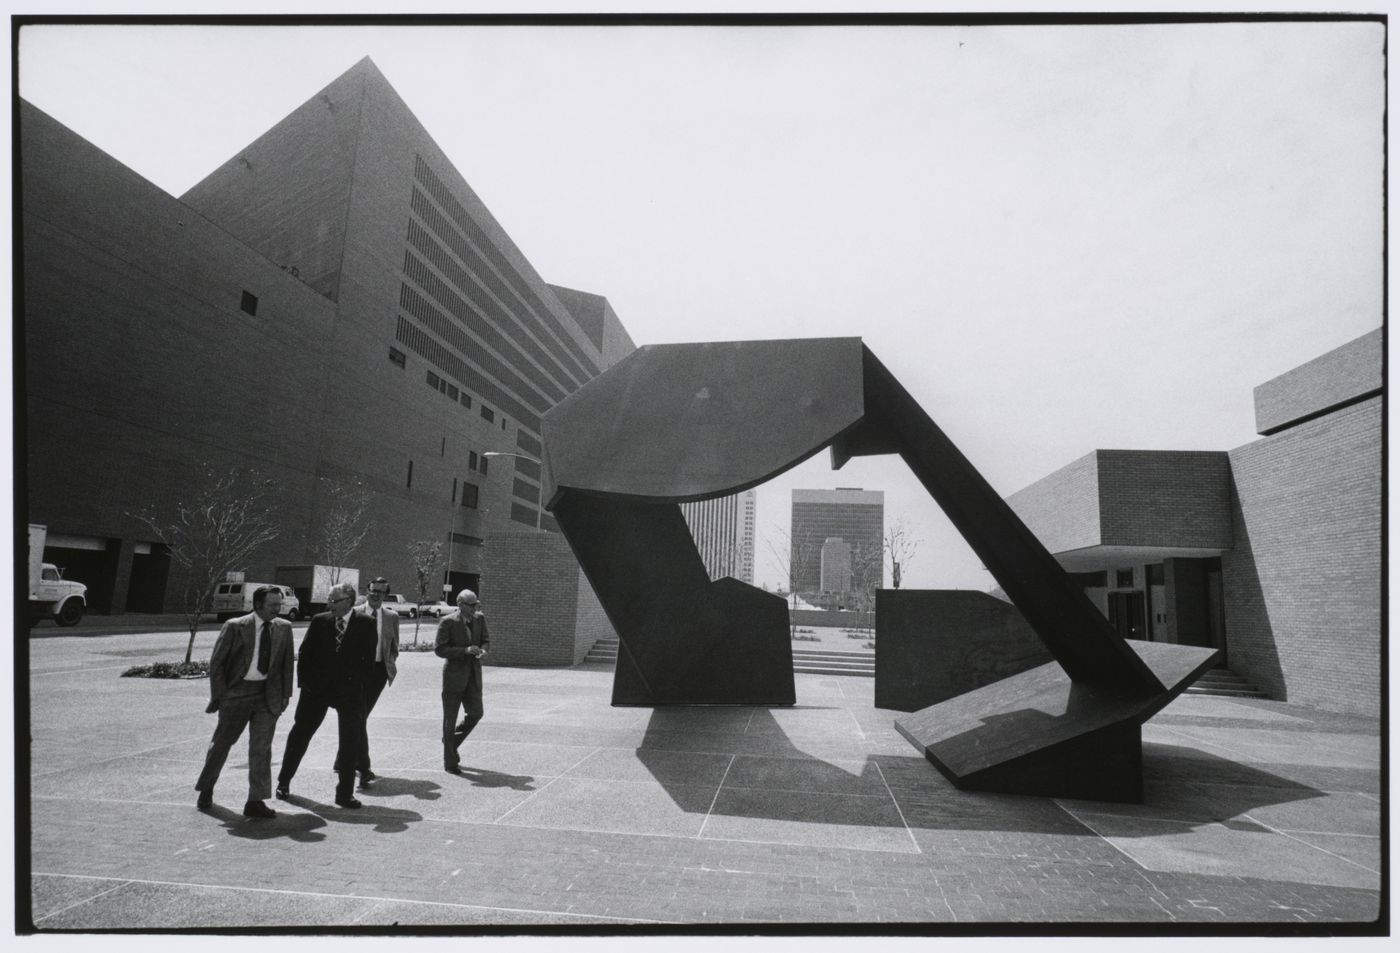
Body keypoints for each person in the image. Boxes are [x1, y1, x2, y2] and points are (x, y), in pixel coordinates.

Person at [195, 585, 294, 819]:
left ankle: (255, 800)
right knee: (221, 744)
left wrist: (284, 696)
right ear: (258, 605)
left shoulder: (284, 628)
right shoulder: (235, 626)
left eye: (279, 605)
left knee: (261, 749)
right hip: (237, 693)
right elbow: (217, 663)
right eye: (272, 605)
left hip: (267, 696)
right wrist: (221, 695)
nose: (277, 609)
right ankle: (206, 788)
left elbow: (287, 665)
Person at [275, 581, 377, 808]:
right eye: (328, 601)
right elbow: (305, 654)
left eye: (334, 601)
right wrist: (306, 685)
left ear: (348, 601)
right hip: (317, 691)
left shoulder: (367, 624)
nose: (329, 605)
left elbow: (368, 662)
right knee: (299, 735)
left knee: (350, 742)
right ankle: (283, 781)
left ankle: (345, 794)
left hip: (349, 693)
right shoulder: (320, 621)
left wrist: (357, 685)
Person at [333, 576, 399, 787]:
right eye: (372, 591)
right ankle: (363, 767)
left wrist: (389, 663)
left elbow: (393, 645)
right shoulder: (355, 613)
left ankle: (344, 759)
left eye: (380, 592)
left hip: (378, 673)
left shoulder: (392, 616)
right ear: (367, 591)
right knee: (358, 717)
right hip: (356, 674)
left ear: (385, 594)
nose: (375, 595)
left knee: (359, 716)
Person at [436, 589, 489, 774]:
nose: (475, 608)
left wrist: (483, 650)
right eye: (471, 605)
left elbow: (485, 640)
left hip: (473, 675)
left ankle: (450, 742)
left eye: (476, 604)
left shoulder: (479, 619)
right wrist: (465, 651)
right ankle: (450, 762)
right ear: (460, 605)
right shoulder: (448, 622)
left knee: (476, 713)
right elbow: (440, 650)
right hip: (453, 676)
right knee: (449, 719)